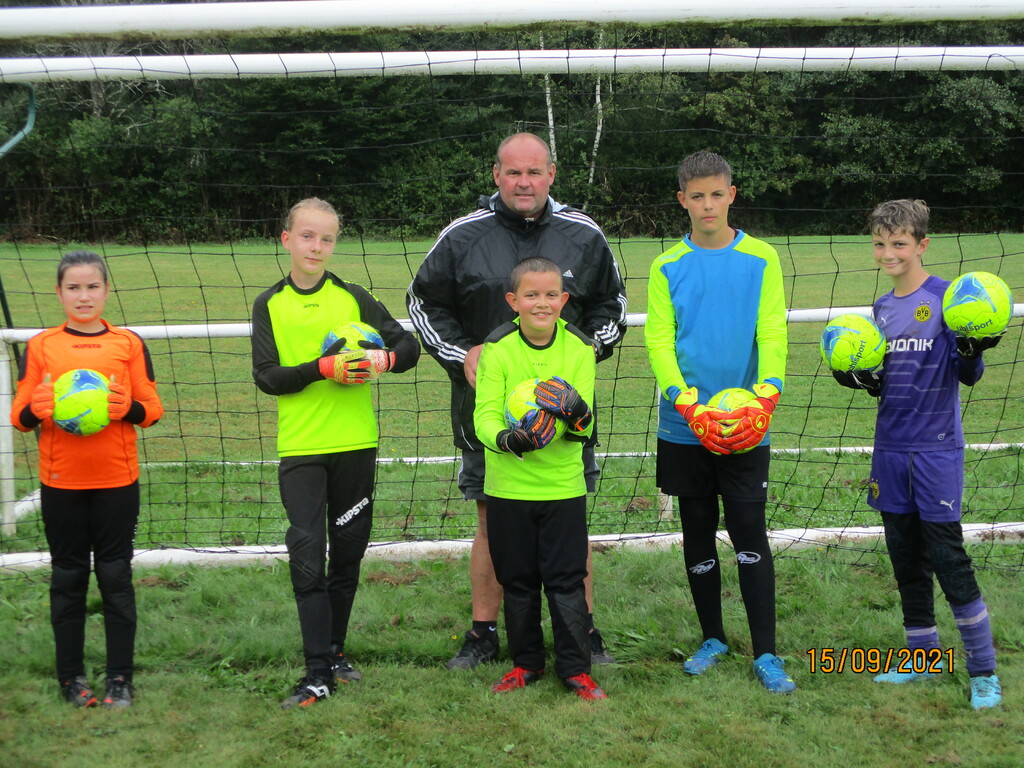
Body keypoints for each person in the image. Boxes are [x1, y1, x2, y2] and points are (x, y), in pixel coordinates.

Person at [408, 132, 627, 670]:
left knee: (571, 523)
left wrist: (583, 353)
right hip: (487, 415)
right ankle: (484, 634)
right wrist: (462, 354)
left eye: (533, 172)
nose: (523, 182)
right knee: (490, 521)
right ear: (496, 175)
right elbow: (422, 302)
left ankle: (583, 632)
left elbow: (613, 305)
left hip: (566, 419)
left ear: (551, 174)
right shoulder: (463, 235)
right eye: (513, 172)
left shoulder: (584, 233)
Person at [251, 197, 420, 709]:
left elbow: (408, 347)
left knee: (348, 553)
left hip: (355, 446)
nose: (316, 246)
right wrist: (321, 369)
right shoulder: (269, 304)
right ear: (287, 239)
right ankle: (315, 672)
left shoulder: (353, 297)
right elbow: (268, 377)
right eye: (307, 236)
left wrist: (384, 360)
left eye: (326, 238)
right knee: (307, 555)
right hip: (302, 449)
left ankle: (335, 653)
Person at [833, 199, 1001, 710]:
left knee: (948, 557)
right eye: (880, 244)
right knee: (905, 557)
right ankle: (922, 658)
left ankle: (983, 670)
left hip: (936, 450)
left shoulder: (951, 298)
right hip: (891, 448)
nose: (889, 253)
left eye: (899, 243)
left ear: (922, 245)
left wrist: (973, 348)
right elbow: (886, 378)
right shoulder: (882, 308)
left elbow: (969, 374)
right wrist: (867, 379)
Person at [644, 150, 794, 694]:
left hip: (747, 423)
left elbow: (771, 331)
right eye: (696, 196)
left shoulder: (761, 257)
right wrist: (685, 402)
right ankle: (713, 637)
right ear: (682, 200)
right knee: (697, 532)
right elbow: (660, 340)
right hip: (685, 425)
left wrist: (767, 394)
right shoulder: (666, 266)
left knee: (750, 530)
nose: (707, 205)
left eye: (716, 194)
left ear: (731, 195)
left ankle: (767, 651)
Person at [11, 250, 163, 709]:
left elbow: (152, 410)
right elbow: (19, 416)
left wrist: (128, 409)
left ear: (106, 290)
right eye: (73, 288)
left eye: (92, 286)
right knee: (68, 578)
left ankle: (120, 678)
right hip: (61, 484)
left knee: (116, 577)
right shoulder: (42, 346)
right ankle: (71, 678)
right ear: (59, 293)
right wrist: (35, 409)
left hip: (117, 481)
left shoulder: (127, 343)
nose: (83, 296)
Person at [474, 257, 606, 699]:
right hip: (508, 488)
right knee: (518, 581)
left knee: (567, 579)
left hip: (562, 488)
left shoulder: (580, 349)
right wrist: (507, 440)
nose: (542, 303)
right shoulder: (497, 348)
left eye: (551, 295)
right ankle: (525, 663)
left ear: (564, 300)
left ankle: (576, 669)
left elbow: (585, 428)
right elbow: (484, 415)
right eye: (531, 295)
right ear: (513, 301)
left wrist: (577, 414)